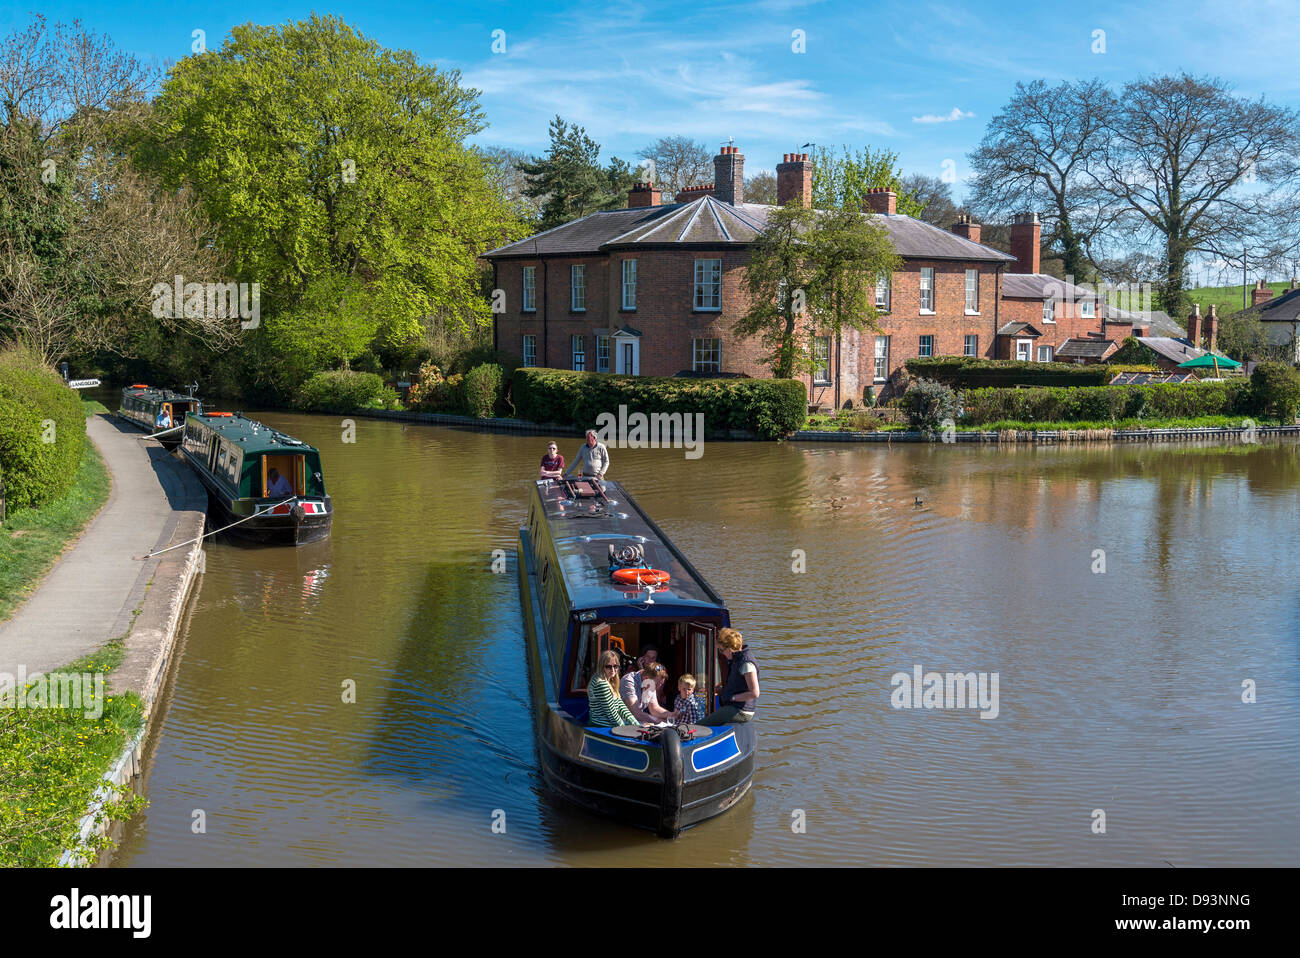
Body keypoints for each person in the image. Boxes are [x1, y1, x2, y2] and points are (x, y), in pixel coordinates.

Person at [700, 627, 760, 726]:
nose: (722, 654)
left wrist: (733, 698)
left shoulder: (746, 663)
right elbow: (736, 683)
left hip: (741, 711)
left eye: (721, 650)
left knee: (700, 725)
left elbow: (754, 693)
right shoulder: (737, 659)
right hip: (735, 706)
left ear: (730, 649)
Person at [588, 650, 642, 727]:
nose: (613, 670)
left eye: (615, 666)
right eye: (608, 667)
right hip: (601, 725)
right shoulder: (601, 684)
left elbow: (620, 705)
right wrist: (624, 728)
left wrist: (635, 723)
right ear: (602, 667)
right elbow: (611, 713)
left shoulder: (610, 680)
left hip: (610, 723)